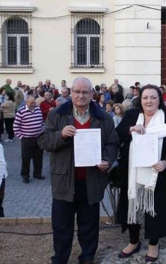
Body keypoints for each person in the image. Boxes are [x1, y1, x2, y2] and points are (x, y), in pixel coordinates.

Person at [38, 77, 119, 264]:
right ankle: (60, 259)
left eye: (85, 92)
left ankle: (87, 257)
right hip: (64, 181)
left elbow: (113, 143)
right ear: (70, 93)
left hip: (91, 181)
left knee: (89, 226)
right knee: (61, 225)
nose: (81, 95)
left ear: (92, 94)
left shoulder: (102, 118)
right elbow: (43, 141)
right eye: (77, 92)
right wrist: (61, 135)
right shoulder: (56, 115)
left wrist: (107, 160)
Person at [115, 85, 166, 263]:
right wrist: (130, 130)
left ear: (159, 99)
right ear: (140, 100)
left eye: (153, 97)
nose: (149, 101)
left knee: (154, 209)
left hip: (157, 174)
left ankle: (154, 244)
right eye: (145, 97)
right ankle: (133, 242)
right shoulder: (131, 116)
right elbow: (117, 135)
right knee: (133, 207)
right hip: (132, 173)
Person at [13, 96, 44, 183]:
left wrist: (42, 133)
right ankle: (25, 176)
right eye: (31, 103)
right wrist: (21, 138)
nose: (33, 104)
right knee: (26, 159)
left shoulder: (38, 110)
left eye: (34, 102)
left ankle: (37, 174)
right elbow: (15, 127)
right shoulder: (21, 112)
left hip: (38, 138)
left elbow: (41, 122)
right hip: (26, 139)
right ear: (26, 102)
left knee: (38, 158)